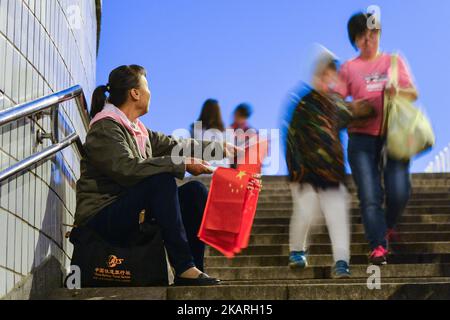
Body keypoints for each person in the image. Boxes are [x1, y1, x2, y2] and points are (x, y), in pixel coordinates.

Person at [75, 65, 237, 286]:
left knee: (194, 192)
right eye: (147, 86)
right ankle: (183, 265)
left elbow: (177, 145)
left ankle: (191, 270)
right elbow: (127, 168)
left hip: (129, 210)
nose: (150, 92)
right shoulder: (105, 128)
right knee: (161, 181)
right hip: (101, 217)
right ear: (135, 93)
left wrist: (220, 149)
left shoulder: (139, 131)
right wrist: (181, 165)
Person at [334, 12, 419, 264]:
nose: (368, 39)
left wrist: (397, 90)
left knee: (399, 191)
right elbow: (336, 101)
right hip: (360, 139)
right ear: (355, 40)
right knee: (370, 195)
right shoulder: (349, 67)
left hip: (393, 136)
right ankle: (378, 245)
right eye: (361, 36)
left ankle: (387, 225)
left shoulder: (393, 61)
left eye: (372, 33)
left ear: (379, 34)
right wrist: (351, 107)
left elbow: (413, 93)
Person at [285, 50, 357, 278]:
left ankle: (342, 261)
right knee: (306, 211)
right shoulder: (303, 104)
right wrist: (295, 171)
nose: (327, 80)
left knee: (338, 215)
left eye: (331, 76)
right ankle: (297, 250)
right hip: (306, 173)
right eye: (323, 75)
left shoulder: (336, 104)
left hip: (332, 172)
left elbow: (353, 115)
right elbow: (291, 138)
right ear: (316, 75)